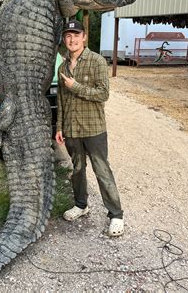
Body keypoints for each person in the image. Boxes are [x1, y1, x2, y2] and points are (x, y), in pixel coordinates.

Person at [56, 19, 124, 237]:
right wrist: (59, 126)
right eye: (68, 36)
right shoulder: (62, 66)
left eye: (76, 35)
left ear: (84, 37)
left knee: (102, 171)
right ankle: (81, 205)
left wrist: (75, 86)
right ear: (64, 39)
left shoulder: (96, 61)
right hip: (71, 130)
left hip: (94, 129)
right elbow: (60, 99)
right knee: (77, 170)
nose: (72, 39)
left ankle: (116, 215)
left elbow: (103, 94)